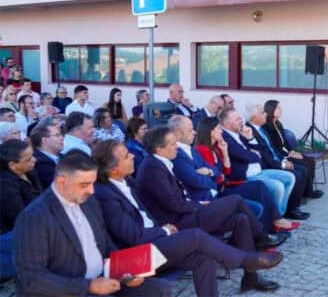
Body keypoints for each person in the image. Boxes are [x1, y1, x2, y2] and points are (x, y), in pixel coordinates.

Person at [92, 140, 283, 295]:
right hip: (137, 256)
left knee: (203, 256)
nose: (133, 155)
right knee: (196, 235)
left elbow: (147, 217)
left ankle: (250, 273)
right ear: (113, 169)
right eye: (127, 156)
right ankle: (245, 259)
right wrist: (165, 229)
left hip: (159, 239)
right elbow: (132, 237)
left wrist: (165, 229)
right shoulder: (105, 194)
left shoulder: (125, 181)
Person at [13, 150, 173, 296]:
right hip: (70, 290)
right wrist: (88, 286)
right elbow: (31, 278)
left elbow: (104, 243)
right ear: (62, 182)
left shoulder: (88, 201)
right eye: (84, 185)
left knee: (159, 289)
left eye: (92, 183)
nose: (92, 190)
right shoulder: (35, 217)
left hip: (104, 279)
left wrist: (125, 272)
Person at [134, 127, 285, 251]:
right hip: (178, 221)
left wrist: (203, 194)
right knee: (236, 200)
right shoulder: (153, 169)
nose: (177, 147)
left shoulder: (161, 162)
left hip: (188, 211)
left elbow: (216, 173)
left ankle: (250, 272)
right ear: (159, 149)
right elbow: (174, 204)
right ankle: (261, 237)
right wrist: (199, 204)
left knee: (241, 219)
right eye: (173, 144)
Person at [196, 116, 295, 232]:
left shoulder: (216, 147)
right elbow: (217, 176)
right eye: (218, 128)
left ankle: (272, 223)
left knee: (259, 186)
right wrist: (219, 174)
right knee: (260, 187)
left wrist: (224, 152)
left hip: (226, 184)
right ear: (210, 131)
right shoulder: (203, 150)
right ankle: (272, 224)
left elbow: (226, 171)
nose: (221, 131)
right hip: (221, 190)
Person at [219, 108, 308, 220]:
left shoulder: (240, 132)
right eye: (237, 119)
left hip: (259, 170)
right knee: (277, 187)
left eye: (240, 118)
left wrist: (251, 138)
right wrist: (254, 154)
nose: (241, 121)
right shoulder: (225, 137)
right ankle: (274, 219)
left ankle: (279, 214)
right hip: (246, 176)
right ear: (227, 124)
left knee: (289, 177)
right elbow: (244, 155)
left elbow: (259, 151)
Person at [261, 100, 323, 199]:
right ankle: (302, 193)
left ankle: (309, 191)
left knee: (310, 161)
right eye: (278, 108)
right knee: (304, 164)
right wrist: (288, 155)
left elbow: (285, 141)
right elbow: (272, 148)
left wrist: (292, 151)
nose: (281, 110)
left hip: (285, 153)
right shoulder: (266, 127)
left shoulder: (278, 124)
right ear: (271, 110)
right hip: (279, 156)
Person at [1, 140, 41, 235]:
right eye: (28, 159)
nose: (34, 159)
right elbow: (19, 217)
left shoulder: (30, 172)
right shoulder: (5, 186)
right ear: (12, 165)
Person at [29, 117, 64, 189]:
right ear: (44, 140)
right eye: (57, 135)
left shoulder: (63, 156)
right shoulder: (39, 163)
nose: (62, 137)